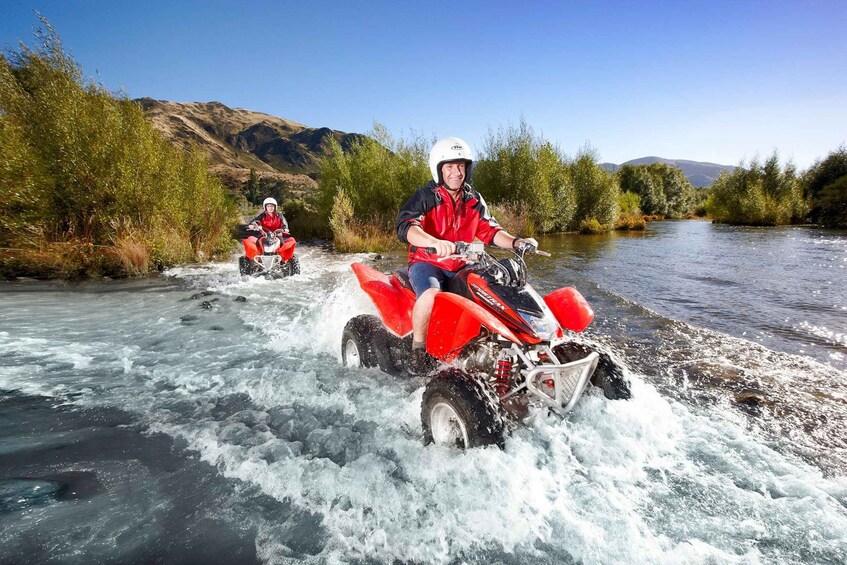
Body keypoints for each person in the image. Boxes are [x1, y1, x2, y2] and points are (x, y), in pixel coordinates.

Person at [396, 137, 538, 373]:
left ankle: (497, 344)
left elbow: (491, 231)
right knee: (431, 294)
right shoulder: (424, 196)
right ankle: (418, 349)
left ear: (467, 169)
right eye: (450, 167)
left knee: (496, 287)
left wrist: (516, 242)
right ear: (439, 169)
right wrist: (433, 242)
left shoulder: (473, 199)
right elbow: (407, 227)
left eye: (461, 166)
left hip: (462, 263)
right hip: (427, 262)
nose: (456, 172)